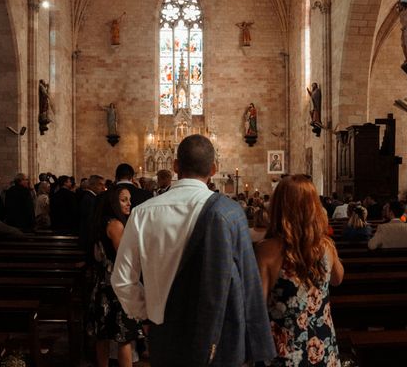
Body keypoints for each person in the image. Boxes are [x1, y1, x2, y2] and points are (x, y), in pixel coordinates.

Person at [112, 134, 275, 366]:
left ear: (176, 166)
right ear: (214, 168)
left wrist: (146, 315)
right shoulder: (230, 213)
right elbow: (249, 283)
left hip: (163, 331)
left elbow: (122, 280)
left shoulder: (142, 213)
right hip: (218, 334)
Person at [255, 175, 344, 366]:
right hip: (321, 347)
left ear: (278, 207)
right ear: (314, 207)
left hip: (285, 351)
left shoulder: (266, 250)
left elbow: (257, 306)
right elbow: (338, 279)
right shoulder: (325, 246)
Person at [87, 186, 143, 367]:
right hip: (116, 286)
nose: (129, 203)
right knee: (124, 337)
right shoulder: (116, 225)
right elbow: (124, 257)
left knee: (102, 335)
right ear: (113, 202)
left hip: (101, 283)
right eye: (124, 200)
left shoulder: (101, 222)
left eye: (129, 199)